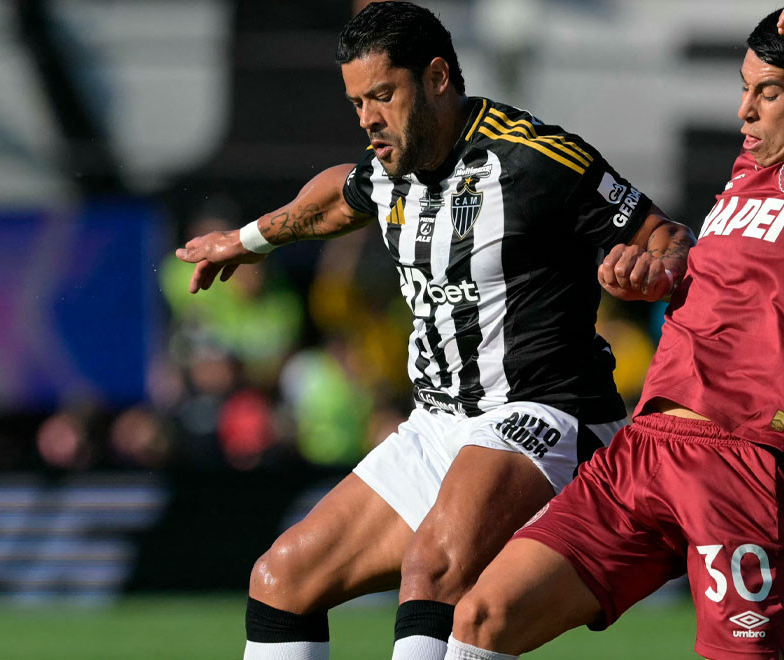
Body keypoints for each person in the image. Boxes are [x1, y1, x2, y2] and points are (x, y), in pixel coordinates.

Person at [174, 3, 694, 660]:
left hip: (543, 415)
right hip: (438, 425)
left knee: (433, 569)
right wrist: (251, 240)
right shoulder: (391, 161)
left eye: (382, 95)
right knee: (282, 579)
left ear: (439, 77)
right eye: (357, 101)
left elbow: (666, 233)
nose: (367, 118)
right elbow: (340, 195)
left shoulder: (536, 159)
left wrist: (655, 265)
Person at [446, 2, 784, 659]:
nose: (745, 109)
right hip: (644, 450)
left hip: (744, 462)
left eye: (768, 92)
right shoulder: (745, 179)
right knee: (485, 616)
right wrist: (654, 275)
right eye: (744, 90)